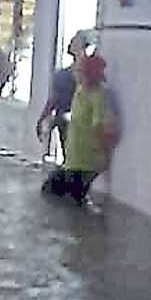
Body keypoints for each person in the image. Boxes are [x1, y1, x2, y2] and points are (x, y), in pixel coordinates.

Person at [42, 52, 117, 205]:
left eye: (79, 71)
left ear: (89, 74)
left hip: (86, 163)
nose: (76, 74)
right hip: (73, 160)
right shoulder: (80, 91)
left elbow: (102, 128)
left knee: (74, 203)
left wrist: (105, 159)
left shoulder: (98, 96)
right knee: (49, 192)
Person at [36, 29, 96, 162]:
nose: (71, 43)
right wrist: (43, 119)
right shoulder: (63, 75)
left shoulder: (90, 75)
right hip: (65, 123)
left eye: (75, 41)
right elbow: (53, 100)